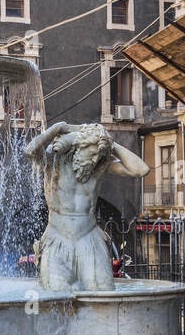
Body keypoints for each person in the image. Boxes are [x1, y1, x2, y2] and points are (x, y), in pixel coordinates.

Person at [26, 122, 150, 291]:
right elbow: (30, 150)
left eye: (98, 157)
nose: (93, 160)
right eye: (92, 154)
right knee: (57, 295)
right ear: (80, 146)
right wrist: (58, 128)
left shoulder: (100, 164)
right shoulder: (55, 160)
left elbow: (141, 169)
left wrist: (110, 143)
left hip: (90, 239)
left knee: (104, 292)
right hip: (58, 239)